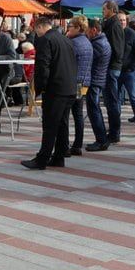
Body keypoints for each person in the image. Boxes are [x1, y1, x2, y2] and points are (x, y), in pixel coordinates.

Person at [22, 18, 77, 170]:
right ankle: (59, 156)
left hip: (55, 88)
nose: (36, 34)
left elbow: (43, 66)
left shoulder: (46, 40)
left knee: (50, 125)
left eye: (36, 30)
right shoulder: (65, 39)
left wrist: (40, 88)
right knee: (62, 124)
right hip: (69, 87)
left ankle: (42, 159)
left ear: (40, 27)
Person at [65, 16, 93, 155]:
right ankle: (77, 144)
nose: (68, 28)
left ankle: (66, 145)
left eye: (70, 26)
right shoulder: (87, 41)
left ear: (77, 27)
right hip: (84, 82)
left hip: (73, 82)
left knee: (65, 113)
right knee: (78, 114)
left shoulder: (73, 42)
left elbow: (66, 61)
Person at [85, 18, 112, 151]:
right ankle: (101, 139)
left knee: (94, 109)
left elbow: (89, 60)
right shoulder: (100, 41)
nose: (86, 34)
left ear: (94, 30)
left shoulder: (98, 44)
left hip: (95, 80)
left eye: (87, 31)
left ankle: (101, 140)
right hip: (97, 79)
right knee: (94, 109)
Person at [101, 1, 125, 143]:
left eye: (104, 9)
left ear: (111, 9)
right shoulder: (110, 23)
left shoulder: (114, 25)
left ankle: (115, 132)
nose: (102, 11)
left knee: (112, 100)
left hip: (111, 67)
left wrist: (110, 63)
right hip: (111, 67)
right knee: (110, 101)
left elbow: (117, 49)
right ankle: (113, 130)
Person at [118, 13, 135, 135]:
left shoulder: (131, 34)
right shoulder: (112, 33)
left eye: (123, 20)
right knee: (116, 99)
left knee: (134, 98)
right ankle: (115, 126)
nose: (122, 22)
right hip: (115, 72)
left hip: (129, 72)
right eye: (120, 20)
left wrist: (132, 67)